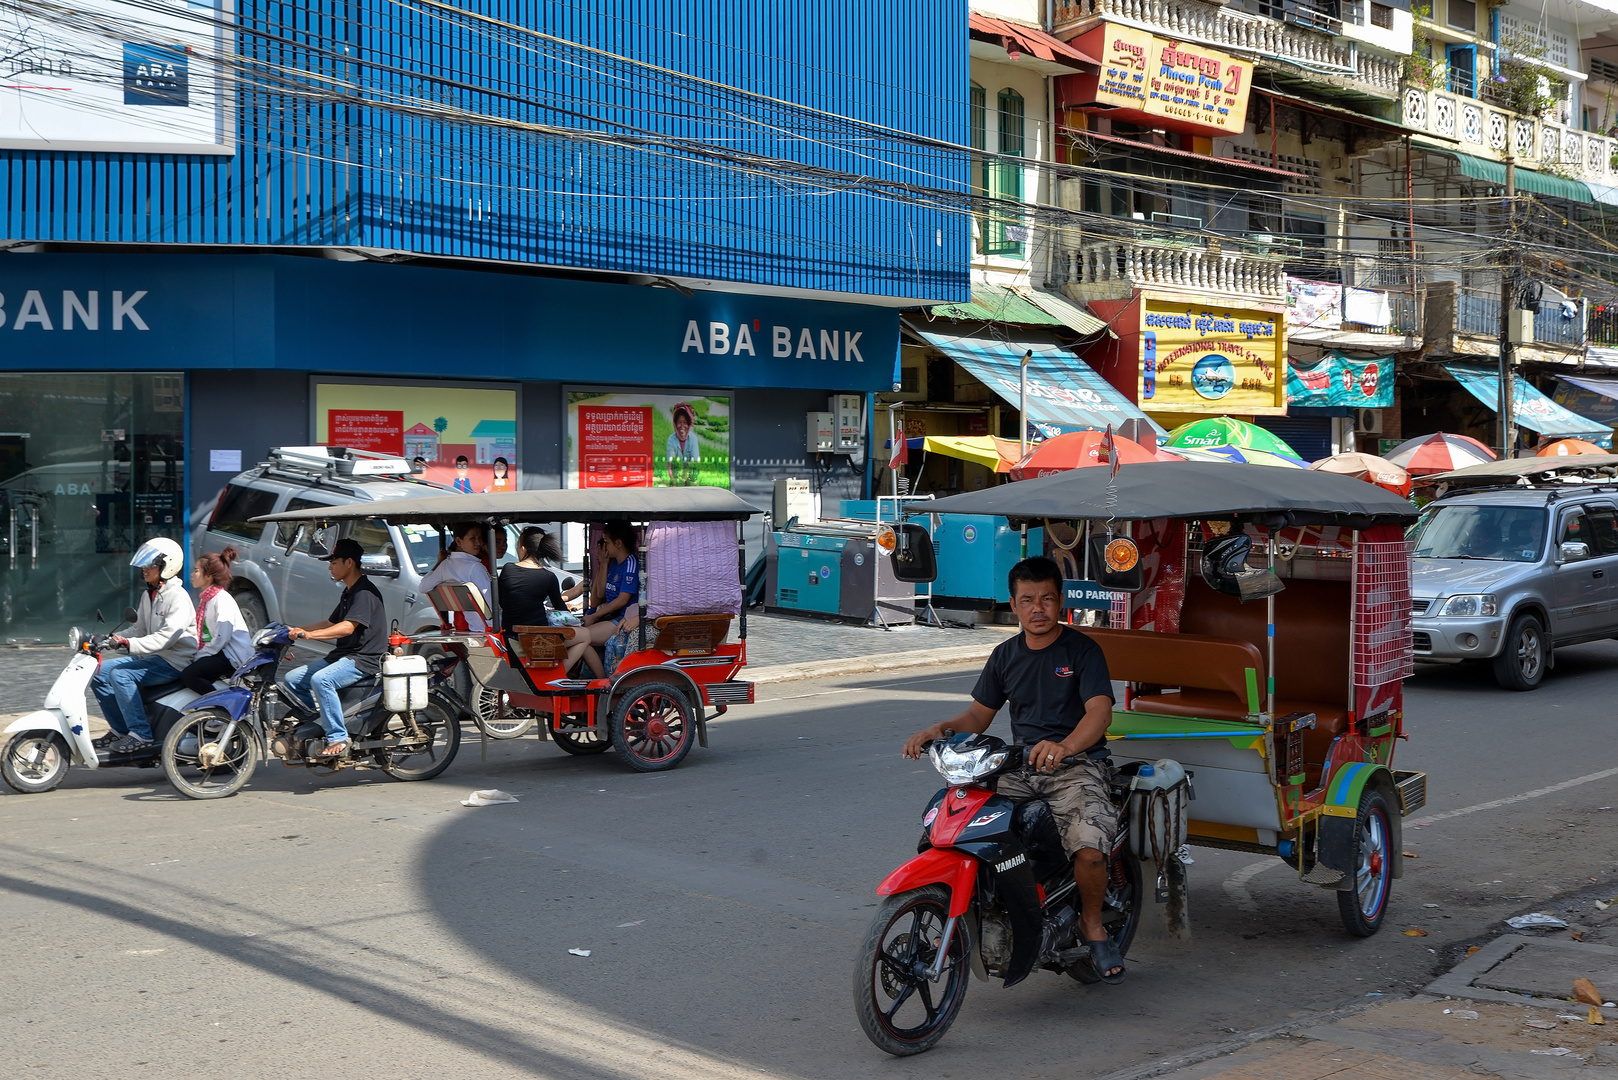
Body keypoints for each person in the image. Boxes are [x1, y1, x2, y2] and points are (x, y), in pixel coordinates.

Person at [902, 556, 1124, 982]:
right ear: (1014, 604)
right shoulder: (1005, 655)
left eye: (1046, 599)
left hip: (1077, 766)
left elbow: (1100, 713)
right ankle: (970, 912)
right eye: (1027, 600)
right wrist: (939, 729)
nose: (1037, 608)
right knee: (960, 827)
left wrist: (1066, 747)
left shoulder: (1082, 651)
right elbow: (977, 717)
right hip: (1020, 765)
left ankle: (1091, 923)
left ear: (1060, 602)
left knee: (1090, 848)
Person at [90, 537, 198, 753]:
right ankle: (120, 729)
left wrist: (129, 644)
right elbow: (138, 630)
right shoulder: (149, 594)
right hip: (154, 657)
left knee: (121, 676)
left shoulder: (178, 597)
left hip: (174, 662)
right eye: (145, 565)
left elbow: (167, 637)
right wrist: (112, 639)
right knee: (98, 673)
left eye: (151, 565)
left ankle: (141, 734)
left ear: (167, 566)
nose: (145, 570)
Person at [284, 538, 387, 758]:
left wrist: (310, 635)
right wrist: (297, 629)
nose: (330, 567)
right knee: (292, 680)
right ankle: (316, 724)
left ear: (349, 563)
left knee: (322, 680)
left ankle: (337, 736)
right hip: (343, 655)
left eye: (333, 562)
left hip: (363, 659)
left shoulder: (365, 593)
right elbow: (331, 623)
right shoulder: (349, 591)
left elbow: (348, 627)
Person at [499, 525, 603, 677]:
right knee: (585, 635)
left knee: (584, 644)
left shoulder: (507, 569)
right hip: (538, 640)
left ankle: (600, 679)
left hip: (510, 636)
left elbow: (502, 602)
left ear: (523, 548)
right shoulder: (548, 577)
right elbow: (562, 610)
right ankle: (557, 675)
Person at [178, 546, 254, 695]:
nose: (192, 575)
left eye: (196, 571)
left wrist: (201, 655)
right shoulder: (207, 599)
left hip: (231, 656)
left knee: (190, 675)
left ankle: (222, 706)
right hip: (220, 652)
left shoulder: (221, 599)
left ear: (209, 576)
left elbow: (221, 638)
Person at [566, 521, 640, 647]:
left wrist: (594, 616)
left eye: (607, 542)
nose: (604, 546)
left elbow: (622, 600)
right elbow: (601, 593)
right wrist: (603, 565)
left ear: (618, 543)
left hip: (621, 617)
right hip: (608, 615)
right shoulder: (614, 562)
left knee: (577, 638)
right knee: (576, 636)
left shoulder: (631, 563)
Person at [417, 521, 492, 630]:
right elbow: (490, 603)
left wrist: (439, 563)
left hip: (474, 626)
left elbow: (423, 587)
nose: (479, 543)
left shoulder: (445, 565)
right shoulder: (475, 567)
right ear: (458, 541)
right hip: (490, 625)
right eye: (473, 539)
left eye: (479, 538)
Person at [665, 403, 700, 485]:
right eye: (679, 422)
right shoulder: (671, 440)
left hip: (691, 478)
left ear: (688, 424)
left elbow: (694, 463)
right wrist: (675, 482)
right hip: (676, 478)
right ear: (675, 424)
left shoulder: (693, 439)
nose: (682, 426)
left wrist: (687, 480)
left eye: (685, 422)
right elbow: (671, 464)